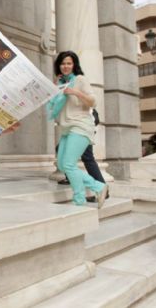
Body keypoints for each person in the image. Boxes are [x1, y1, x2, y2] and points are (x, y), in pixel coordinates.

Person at [48, 51, 108, 208]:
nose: (65, 66)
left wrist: (74, 91)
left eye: (69, 63)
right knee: (62, 165)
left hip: (80, 125)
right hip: (67, 128)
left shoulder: (80, 80)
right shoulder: (60, 82)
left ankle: (83, 197)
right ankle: (98, 187)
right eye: (62, 63)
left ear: (74, 65)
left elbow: (93, 101)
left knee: (69, 165)